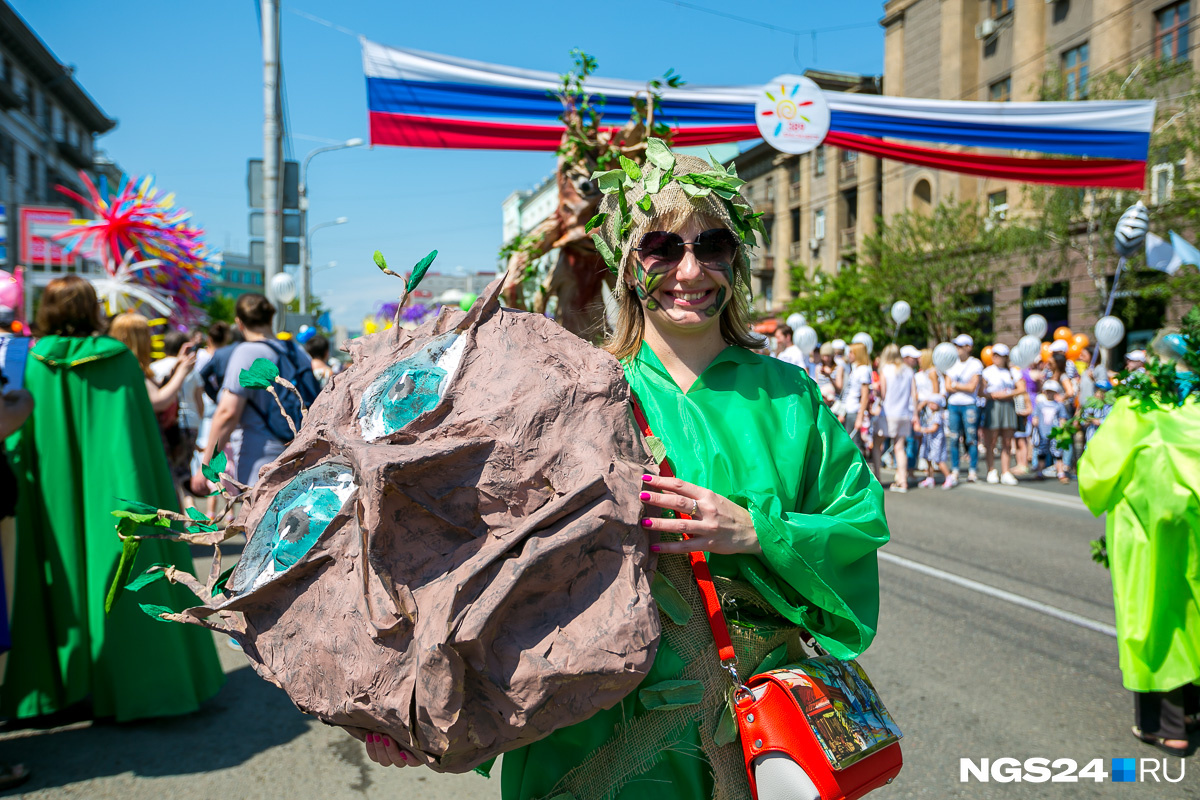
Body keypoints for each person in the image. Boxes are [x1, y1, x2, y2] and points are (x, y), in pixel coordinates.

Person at [363, 146, 889, 800]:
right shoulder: (566, 393)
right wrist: (406, 701)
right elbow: (470, 559)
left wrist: (754, 530)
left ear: (737, 260)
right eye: (661, 248)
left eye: (713, 245)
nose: (689, 270)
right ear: (626, 267)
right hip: (589, 741)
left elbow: (856, 530)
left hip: (750, 741)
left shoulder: (790, 399)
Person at [0, 276, 224, 721]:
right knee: (125, 565)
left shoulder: (32, 360)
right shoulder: (118, 358)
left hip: (50, 495)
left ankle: (55, 688)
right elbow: (134, 439)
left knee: (55, 570)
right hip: (117, 491)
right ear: (91, 309)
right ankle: (144, 686)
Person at [194, 293, 313, 491]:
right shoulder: (297, 351)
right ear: (271, 318)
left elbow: (228, 413)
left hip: (262, 462)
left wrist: (206, 466)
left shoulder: (247, 353)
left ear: (239, 323)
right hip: (302, 456)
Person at [944, 334, 983, 485]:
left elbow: (973, 387)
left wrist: (955, 385)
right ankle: (955, 469)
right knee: (954, 438)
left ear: (969, 348)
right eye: (956, 346)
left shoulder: (975, 364)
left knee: (971, 438)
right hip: (954, 405)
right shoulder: (951, 363)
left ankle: (972, 470)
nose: (957, 349)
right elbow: (947, 386)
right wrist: (960, 387)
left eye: (960, 346)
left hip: (969, 405)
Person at [980, 343, 1020, 486]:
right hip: (993, 406)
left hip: (1008, 405)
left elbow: (1021, 388)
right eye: (995, 355)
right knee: (991, 440)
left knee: (1007, 441)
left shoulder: (1012, 371)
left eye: (1000, 356)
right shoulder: (987, 372)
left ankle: (1005, 471)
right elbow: (981, 391)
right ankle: (991, 470)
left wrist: (1007, 394)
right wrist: (994, 395)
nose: (997, 358)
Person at [878, 344, 914, 492]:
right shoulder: (908, 370)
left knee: (877, 444)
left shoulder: (885, 370)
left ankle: (877, 478)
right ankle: (902, 480)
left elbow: (883, 394)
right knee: (900, 448)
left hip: (888, 413)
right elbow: (914, 394)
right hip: (904, 413)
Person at [842, 341, 874, 474]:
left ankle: (860, 475)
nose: (849, 355)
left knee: (855, 446)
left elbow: (865, 395)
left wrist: (860, 417)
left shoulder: (863, 370)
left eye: (851, 352)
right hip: (849, 409)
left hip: (855, 411)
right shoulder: (855, 369)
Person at [1032, 379, 1070, 484]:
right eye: (1048, 391)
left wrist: (1062, 429)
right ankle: (1039, 472)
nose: (1049, 394)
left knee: (1057, 453)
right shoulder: (1040, 405)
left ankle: (1061, 473)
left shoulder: (1059, 405)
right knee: (1042, 452)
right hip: (1043, 432)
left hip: (1054, 433)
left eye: (1051, 391)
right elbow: (1035, 417)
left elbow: (1062, 418)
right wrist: (1035, 423)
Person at [915, 394, 952, 489]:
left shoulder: (938, 415)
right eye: (930, 403)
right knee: (928, 459)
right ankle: (930, 478)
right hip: (929, 441)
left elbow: (933, 428)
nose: (931, 405)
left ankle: (948, 477)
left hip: (936, 442)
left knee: (938, 460)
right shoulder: (930, 414)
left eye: (933, 403)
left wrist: (921, 429)